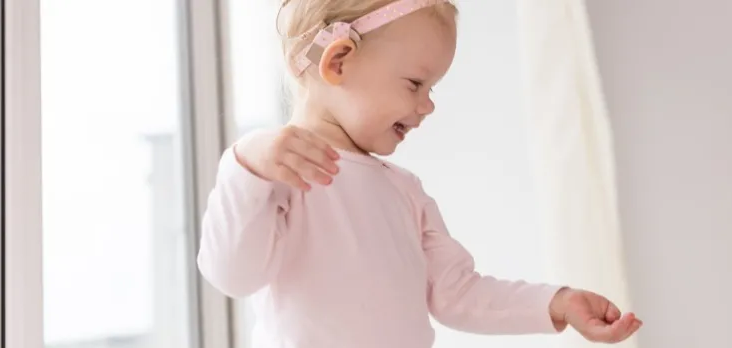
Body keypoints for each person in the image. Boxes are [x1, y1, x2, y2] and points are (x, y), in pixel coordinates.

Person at [196, 0, 642, 347]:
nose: (427, 105)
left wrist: (556, 303)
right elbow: (232, 274)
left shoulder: (404, 192)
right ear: (338, 62)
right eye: (414, 84)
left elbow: (457, 293)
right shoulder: (274, 173)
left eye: (431, 89)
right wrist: (245, 167)